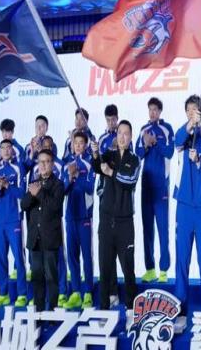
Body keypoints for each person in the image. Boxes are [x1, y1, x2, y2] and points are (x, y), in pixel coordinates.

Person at [173, 95, 201, 332]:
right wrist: (190, 124)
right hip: (184, 207)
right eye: (189, 111)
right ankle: (180, 308)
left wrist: (198, 160)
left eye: (196, 111)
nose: (193, 113)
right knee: (182, 259)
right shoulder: (182, 138)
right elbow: (176, 141)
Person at [91, 120, 140, 327]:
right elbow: (97, 167)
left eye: (126, 133)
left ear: (130, 137)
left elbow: (129, 181)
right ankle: (103, 309)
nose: (122, 136)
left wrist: (111, 172)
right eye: (120, 133)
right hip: (106, 221)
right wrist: (95, 154)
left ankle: (131, 310)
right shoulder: (108, 156)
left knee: (128, 268)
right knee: (105, 268)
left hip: (125, 223)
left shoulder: (134, 160)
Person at [135, 97, 174, 283]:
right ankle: (150, 269)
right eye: (150, 109)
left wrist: (155, 143)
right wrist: (146, 144)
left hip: (161, 186)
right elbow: (137, 154)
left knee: (163, 229)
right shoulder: (143, 130)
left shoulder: (167, 129)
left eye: (155, 110)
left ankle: (163, 270)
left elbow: (170, 152)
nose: (152, 113)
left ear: (160, 111)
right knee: (147, 229)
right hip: (146, 186)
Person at [21, 149, 65, 312]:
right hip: (35, 239)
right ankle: (38, 312)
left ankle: (52, 312)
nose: (44, 165)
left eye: (47, 161)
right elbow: (24, 205)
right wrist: (32, 194)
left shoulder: (58, 184)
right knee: (37, 277)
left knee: (51, 277)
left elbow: (54, 207)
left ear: (52, 164)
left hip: (50, 238)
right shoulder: (33, 183)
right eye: (41, 162)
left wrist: (38, 193)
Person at [0, 139, 27, 307]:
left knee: (18, 257)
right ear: (0, 151)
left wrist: (8, 186)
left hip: (14, 219)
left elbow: (22, 193)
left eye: (8, 148)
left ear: (12, 151)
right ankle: (3, 293)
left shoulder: (18, 168)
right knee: (0, 258)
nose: (5, 150)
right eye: (3, 148)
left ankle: (22, 294)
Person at [62, 132, 96, 309]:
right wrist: (70, 177)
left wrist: (77, 176)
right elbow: (62, 189)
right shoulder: (67, 164)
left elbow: (90, 187)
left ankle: (88, 292)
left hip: (84, 217)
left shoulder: (90, 163)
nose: (78, 146)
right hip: (70, 216)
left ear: (85, 145)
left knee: (86, 256)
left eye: (81, 143)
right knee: (72, 256)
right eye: (76, 143)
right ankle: (76, 292)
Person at [96, 104, 121, 307]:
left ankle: (120, 293)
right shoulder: (102, 139)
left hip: (120, 198)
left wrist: (117, 149)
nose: (111, 122)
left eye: (114, 119)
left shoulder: (123, 137)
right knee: (105, 248)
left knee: (120, 246)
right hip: (105, 195)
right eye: (108, 120)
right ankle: (110, 292)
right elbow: (98, 166)